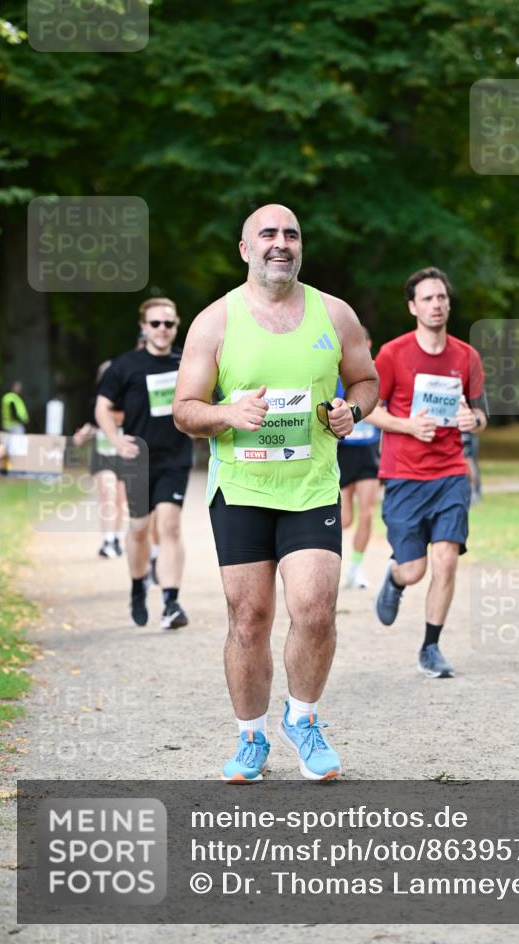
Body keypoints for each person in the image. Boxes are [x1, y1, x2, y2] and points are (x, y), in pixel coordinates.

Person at [173, 203, 378, 782]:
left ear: (300, 248)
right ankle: (250, 738)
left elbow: (366, 380)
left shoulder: (334, 315)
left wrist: (352, 411)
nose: (280, 243)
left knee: (314, 611)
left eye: (291, 234)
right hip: (240, 488)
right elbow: (185, 410)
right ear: (245, 249)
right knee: (250, 617)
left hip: (311, 485)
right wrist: (228, 412)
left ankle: (304, 718)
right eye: (267, 234)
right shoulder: (215, 322)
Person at [367, 266, 487, 678]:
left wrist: (476, 422)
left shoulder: (466, 356)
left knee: (447, 559)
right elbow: (369, 410)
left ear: (448, 303)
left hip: (451, 472)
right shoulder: (392, 353)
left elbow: (480, 411)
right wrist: (408, 425)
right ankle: (396, 578)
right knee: (415, 568)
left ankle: (431, 648)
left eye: (441, 297)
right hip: (404, 474)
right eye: (428, 299)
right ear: (413, 307)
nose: (436, 304)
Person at [95, 298, 193, 630]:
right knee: (138, 531)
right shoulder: (125, 366)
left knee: (170, 525)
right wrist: (117, 439)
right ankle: (138, 588)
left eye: (168, 323)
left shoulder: (187, 362)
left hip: (175, 458)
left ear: (176, 325)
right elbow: (101, 408)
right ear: (144, 327)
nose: (162, 329)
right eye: (155, 324)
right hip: (138, 460)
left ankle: (171, 602)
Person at [336, 326, 381, 589]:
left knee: (367, 514)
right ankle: (330, 565)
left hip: (368, 452)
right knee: (344, 519)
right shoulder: (336, 374)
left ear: (369, 343)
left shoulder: (376, 374)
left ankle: (356, 569)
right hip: (343, 453)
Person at [73, 361, 128, 558]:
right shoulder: (95, 402)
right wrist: (81, 436)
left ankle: (116, 539)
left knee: (121, 501)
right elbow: (88, 427)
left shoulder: (129, 398)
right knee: (108, 495)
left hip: (124, 456)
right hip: (102, 456)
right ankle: (107, 541)